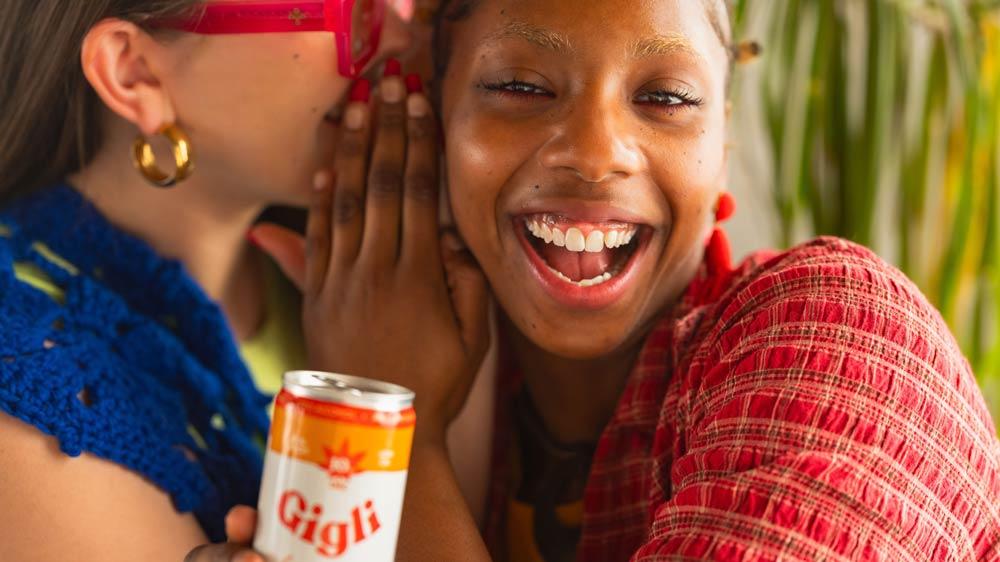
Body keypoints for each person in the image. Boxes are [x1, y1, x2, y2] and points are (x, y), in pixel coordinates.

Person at [237, 0, 1000, 560]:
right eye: (521, 87)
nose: (597, 152)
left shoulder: (840, 342)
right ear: (435, 123)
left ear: (723, 144)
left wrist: (394, 427)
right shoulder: (480, 402)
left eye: (666, 99)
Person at [0, 2, 481, 561]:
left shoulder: (410, 284)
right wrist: (396, 417)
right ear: (134, 72)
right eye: (349, 8)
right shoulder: (31, 398)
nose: (401, 36)